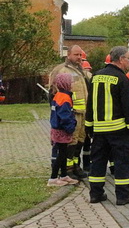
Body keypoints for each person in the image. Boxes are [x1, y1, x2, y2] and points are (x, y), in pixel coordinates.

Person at [86, 46, 129, 205]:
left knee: (98, 162)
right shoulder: (122, 79)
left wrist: (89, 126)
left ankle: (96, 194)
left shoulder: (95, 77)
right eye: (128, 58)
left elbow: (91, 104)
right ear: (121, 59)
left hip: (99, 130)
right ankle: (122, 197)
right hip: (119, 130)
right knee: (122, 162)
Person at [49, 45, 89, 180]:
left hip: (83, 113)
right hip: (71, 113)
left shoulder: (81, 70)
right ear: (69, 55)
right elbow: (52, 93)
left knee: (80, 141)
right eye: (76, 55)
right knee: (70, 142)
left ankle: (76, 165)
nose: (79, 58)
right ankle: (67, 169)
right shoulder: (60, 70)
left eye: (80, 55)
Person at [47, 73, 79, 186]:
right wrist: (71, 127)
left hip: (57, 129)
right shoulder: (65, 98)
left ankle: (64, 175)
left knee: (63, 153)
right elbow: (65, 116)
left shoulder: (58, 95)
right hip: (62, 130)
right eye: (70, 82)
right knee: (61, 154)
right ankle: (53, 178)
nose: (72, 84)